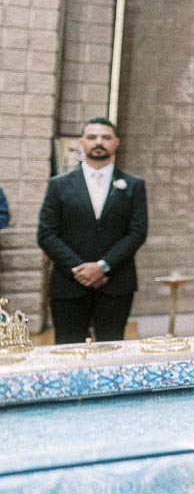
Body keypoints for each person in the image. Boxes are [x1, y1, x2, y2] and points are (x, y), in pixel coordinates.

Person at [36, 118, 148, 344]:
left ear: (116, 142)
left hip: (115, 283)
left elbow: (137, 232)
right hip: (69, 283)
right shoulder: (59, 185)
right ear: (81, 143)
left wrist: (103, 266)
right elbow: (46, 233)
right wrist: (78, 269)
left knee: (112, 348)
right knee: (68, 350)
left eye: (106, 137)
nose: (99, 142)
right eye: (92, 137)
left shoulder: (133, 185)